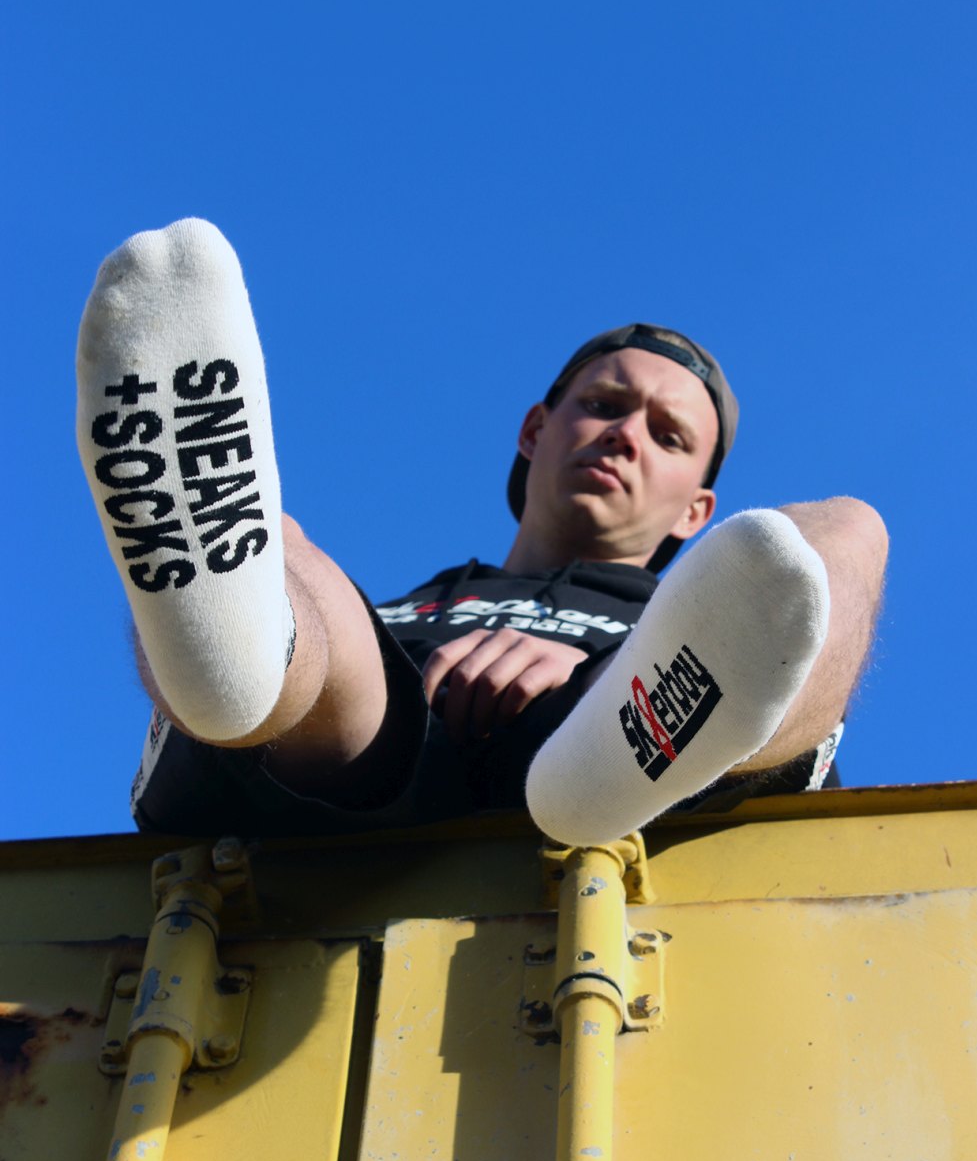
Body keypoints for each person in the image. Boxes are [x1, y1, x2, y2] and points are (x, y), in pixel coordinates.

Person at [76, 219, 888, 845]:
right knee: (281, 555)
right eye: (603, 405)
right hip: (352, 771)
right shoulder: (417, 604)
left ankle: (629, 726)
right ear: (535, 430)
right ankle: (230, 657)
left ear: (695, 512)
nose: (623, 435)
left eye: (668, 436)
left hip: (659, 774)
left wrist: (596, 672)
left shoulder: (718, 599)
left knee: (847, 532)